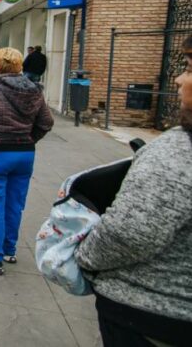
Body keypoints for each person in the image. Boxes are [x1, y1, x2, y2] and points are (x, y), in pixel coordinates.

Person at [74, 36, 192, 347]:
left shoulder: (177, 153)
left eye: (190, 69)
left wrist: (84, 257)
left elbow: (130, 232)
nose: (179, 80)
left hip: (148, 317)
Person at [0, 47, 53, 275]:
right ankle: (8, 249)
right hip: (24, 155)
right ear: (20, 67)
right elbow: (46, 122)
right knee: (15, 204)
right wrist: (28, 139)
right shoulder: (35, 91)